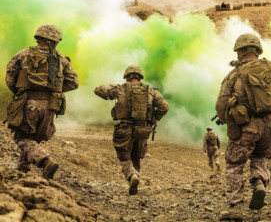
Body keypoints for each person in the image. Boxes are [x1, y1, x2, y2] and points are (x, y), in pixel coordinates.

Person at [215, 33, 271, 220]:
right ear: (257, 50)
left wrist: (231, 116)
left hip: (247, 126)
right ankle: (258, 182)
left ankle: (235, 207)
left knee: (235, 163)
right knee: (260, 156)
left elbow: (220, 106)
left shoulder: (233, 74)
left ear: (240, 52)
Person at [5, 24, 79, 179]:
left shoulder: (23, 54)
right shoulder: (61, 60)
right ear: (53, 41)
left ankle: (45, 160)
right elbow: (73, 82)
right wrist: (54, 90)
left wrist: (20, 92)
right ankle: (23, 169)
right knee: (34, 138)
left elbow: (10, 76)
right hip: (51, 105)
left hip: (28, 103)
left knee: (22, 138)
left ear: (39, 38)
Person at [94, 65, 169, 195]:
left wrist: (111, 94)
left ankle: (132, 175)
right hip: (143, 129)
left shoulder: (119, 88)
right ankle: (135, 179)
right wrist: (153, 119)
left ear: (127, 77)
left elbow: (98, 90)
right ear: (140, 77)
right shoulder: (151, 92)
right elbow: (165, 107)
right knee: (136, 156)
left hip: (125, 128)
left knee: (123, 156)